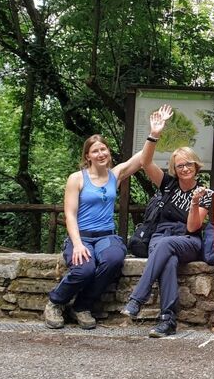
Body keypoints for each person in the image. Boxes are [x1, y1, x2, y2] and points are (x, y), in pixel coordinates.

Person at [44, 105, 172, 330]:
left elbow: (143, 158)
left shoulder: (116, 175)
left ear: (108, 153)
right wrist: (76, 244)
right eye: (95, 151)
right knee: (84, 269)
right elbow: (70, 214)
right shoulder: (77, 178)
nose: (101, 154)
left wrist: (155, 133)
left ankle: (82, 306)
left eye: (103, 149)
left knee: (113, 260)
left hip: (106, 237)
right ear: (88, 156)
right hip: (81, 236)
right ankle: (55, 302)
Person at [120, 138, 214, 337]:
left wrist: (195, 203)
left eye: (188, 163)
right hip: (161, 235)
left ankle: (137, 298)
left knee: (166, 245)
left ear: (196, 165)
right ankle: (167, 320)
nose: (185, 168)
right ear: (174, 168)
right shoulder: (168, 185)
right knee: (168, 261)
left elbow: (193, 227)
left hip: (187, 240)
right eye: (180, 165)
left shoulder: (204, 192)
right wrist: (153, 135)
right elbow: (145, 162)